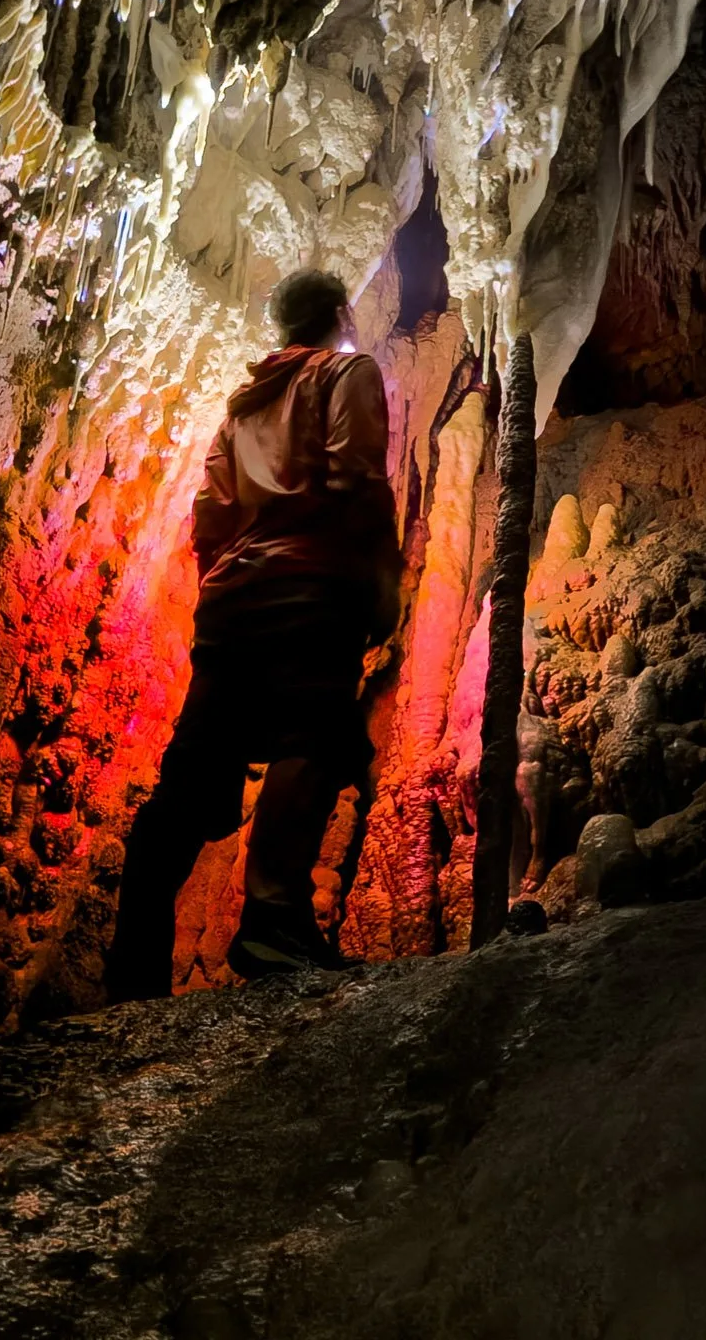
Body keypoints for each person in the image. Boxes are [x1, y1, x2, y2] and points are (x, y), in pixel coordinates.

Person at [104, 267, 403, 998]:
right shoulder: (347, 372)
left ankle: (135, 945)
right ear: (338, 315)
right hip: (310, 586)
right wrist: (381, 579)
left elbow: (210, 513)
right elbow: (354, 476)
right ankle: (273, 921)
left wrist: (226, 582)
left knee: (200, 764)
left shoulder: (241, 409)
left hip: (234, 597)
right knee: (313, 738)